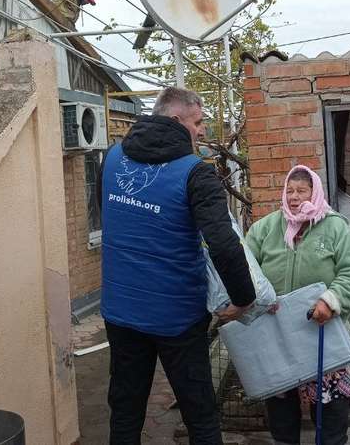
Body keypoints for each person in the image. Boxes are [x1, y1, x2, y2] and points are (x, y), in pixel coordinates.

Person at [100, 86, 256, 445]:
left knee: (125, 412)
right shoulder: (195, 174)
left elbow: (112, 220)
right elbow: (224, 245)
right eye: (198, 122)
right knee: (200, 415)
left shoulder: (111, 158)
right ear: (175, 120)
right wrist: (244, 298)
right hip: (177, 318)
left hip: (121, 312)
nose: (202, 131)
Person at [245, 165, 350, 445]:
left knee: (329, 409)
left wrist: (331, 300)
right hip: (276, 335)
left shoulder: (335, 226)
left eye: (301, 190)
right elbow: (246, 269)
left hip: (323, 330)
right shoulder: (265, 228)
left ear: (315, 192)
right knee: (281, 406)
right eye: (289, 191)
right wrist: (251, 301)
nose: (294, 197)